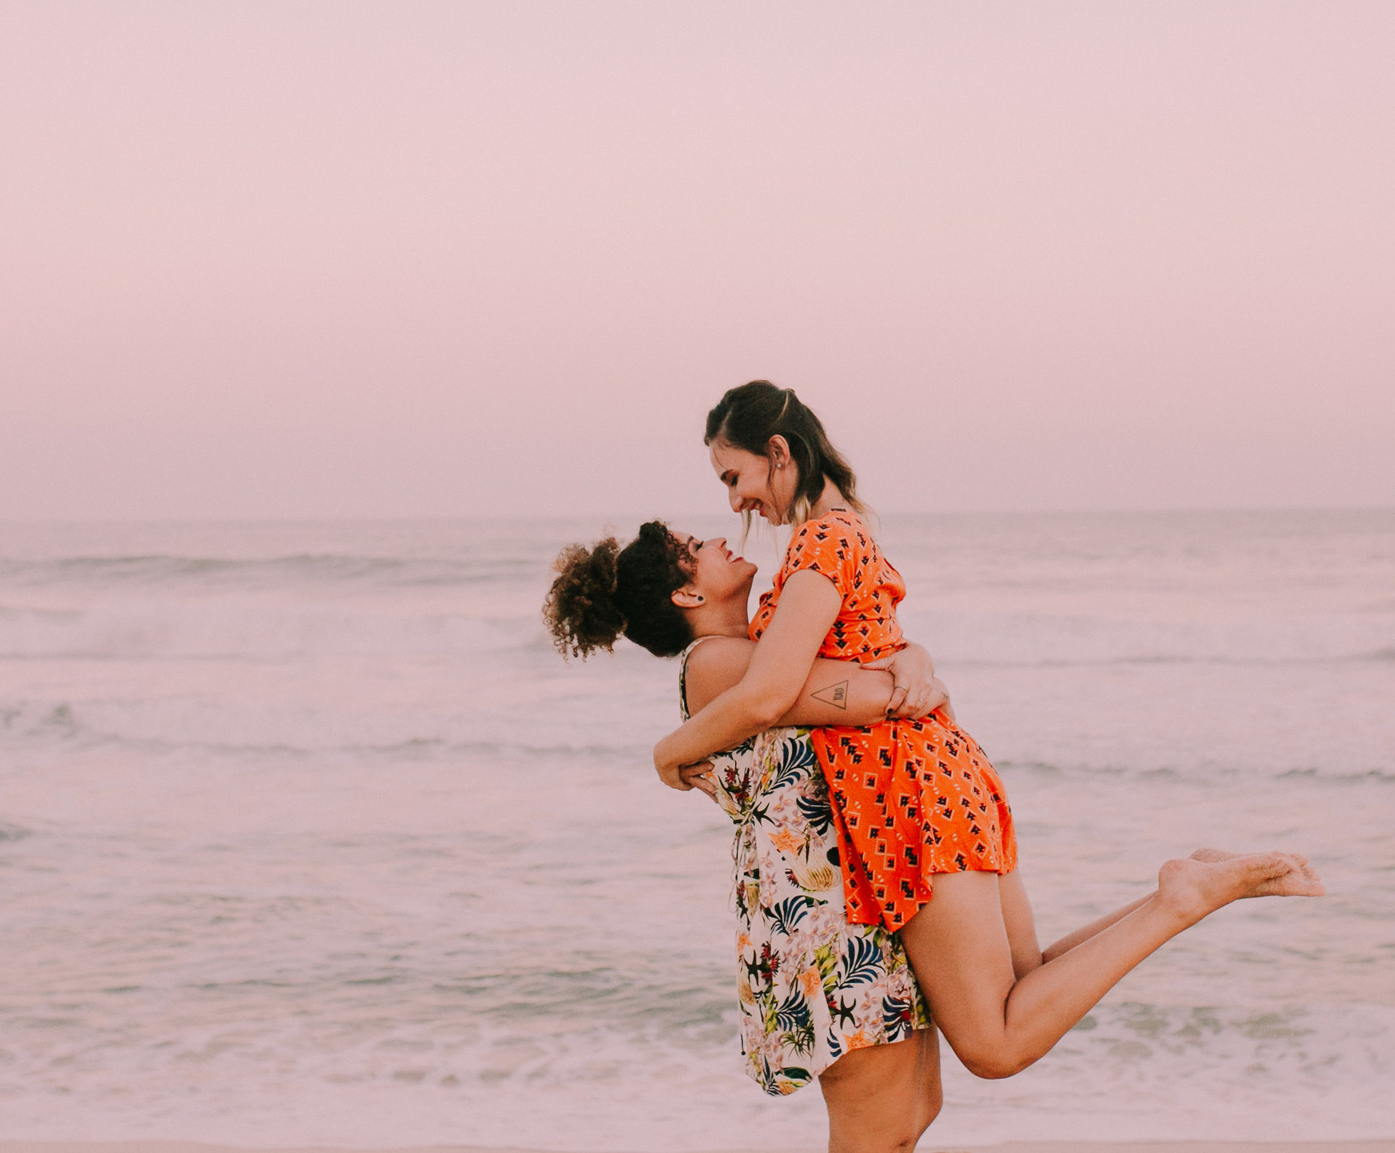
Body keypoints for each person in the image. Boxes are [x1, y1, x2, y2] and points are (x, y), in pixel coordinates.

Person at [650, 381, 1323, 1088]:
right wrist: (911, 660)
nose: (734, 502)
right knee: (1027, 982)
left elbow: (766, 694)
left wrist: (669, 751)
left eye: (734, 477)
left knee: (994, 1044)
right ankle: (1185, 887)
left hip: (902, 792)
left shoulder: (821, 539)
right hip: (943, 772)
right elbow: (856, 659)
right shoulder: (844, 532)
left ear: (778, 453)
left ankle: (1182, 898)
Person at [545, 523, 946, 1153]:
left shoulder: (760, 654)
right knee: (880, 1133)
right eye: (695, 548)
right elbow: (872, 692)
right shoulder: (717, 663)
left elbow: (882, 666)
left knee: (914, 1114)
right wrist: (908, 668)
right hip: (822, 922)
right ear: (685, 594)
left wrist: (913, 656)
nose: (717, 540)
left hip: (846, 899)